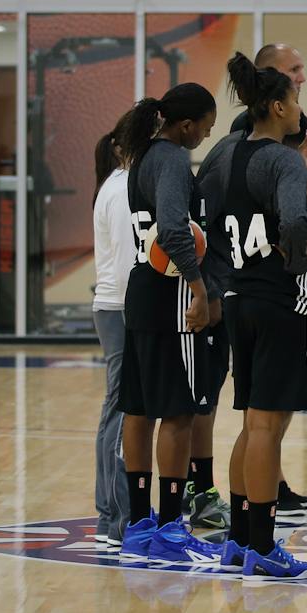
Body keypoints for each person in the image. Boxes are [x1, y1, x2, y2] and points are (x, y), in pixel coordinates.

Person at [203, 52, 307, 580]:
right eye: (294, 100)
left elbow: (200, 209)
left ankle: (236, 541)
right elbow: (296, 222)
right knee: (268, 429)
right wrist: (301, 259)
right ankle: (265, 547)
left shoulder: (225, 152)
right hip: (277, 298)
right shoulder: (283, 160)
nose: (300, 107)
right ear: (277, 105)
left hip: (235, 297)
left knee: (251, 426)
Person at [115, 82, 223, 568]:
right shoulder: (174, 160)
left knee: (138, 410)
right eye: (205, 126)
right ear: (185, 124)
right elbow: (176, 229)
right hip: (171, 293)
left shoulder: (142, 157)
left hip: (141, 290)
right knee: (178, 413)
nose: (205, 134)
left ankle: (139, 524)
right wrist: (200, 290)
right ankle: (171, 527)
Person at [226, 42, 307, 515]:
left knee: (262, 414)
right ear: (274, 95)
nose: (303, 81)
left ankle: (243, 515)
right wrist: (295, 257)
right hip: (277, 284)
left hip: (246, 289)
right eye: (294, 74)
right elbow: (297, 209)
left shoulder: (273, 143)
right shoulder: (255, 139)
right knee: (263, 418)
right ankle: (258, 532)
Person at [92, 114, 135, 549]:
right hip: (121, 308)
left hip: (114, 307)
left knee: (115, 411)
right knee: (122, 413)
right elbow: (126, 263)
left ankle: (110, 514)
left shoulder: (117, 184)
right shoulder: (122, 188)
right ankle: (118, 518)